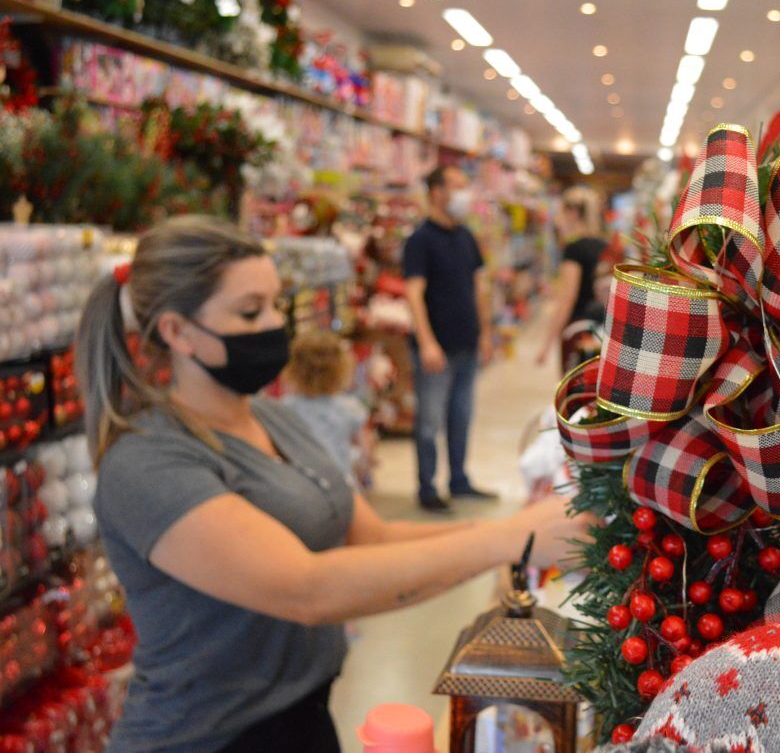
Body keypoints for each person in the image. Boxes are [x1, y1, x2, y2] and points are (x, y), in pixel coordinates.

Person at [77, 217, 592, 753]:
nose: (277, 324)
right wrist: (511, 540)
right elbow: (306, 588)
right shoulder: (147, 464)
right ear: (176, 332)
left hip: (303, 717)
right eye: (250, 311)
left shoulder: (275, 421)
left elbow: (369, 539)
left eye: (277, 304)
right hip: (204, 738)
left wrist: (513, 529)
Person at [403, 165, 494, 512]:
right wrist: (426, 342)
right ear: (436, 192)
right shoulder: (420, 240)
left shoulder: (466, 237)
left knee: (461, 417)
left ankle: (459, 479)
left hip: (467, 344)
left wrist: (485, 333)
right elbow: (413, 294)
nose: (463, 194)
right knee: (429, 422)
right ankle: (427, 487)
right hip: (435, 349)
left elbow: (477, 288)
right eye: (456, 186)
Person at [280, 330, 372, 486]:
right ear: (342, 368)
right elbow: (365, 450)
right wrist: (362, 471)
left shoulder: (285, 408)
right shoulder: (350, 407)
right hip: (341, 481)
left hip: (303, 483)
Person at [535, 188, 608, 370]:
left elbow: (567, 299)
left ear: (573, 213)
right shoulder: (604, 246)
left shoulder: (574, 249)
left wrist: (546, 344)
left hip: (577, 330)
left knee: (573, 390)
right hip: (602, 329)